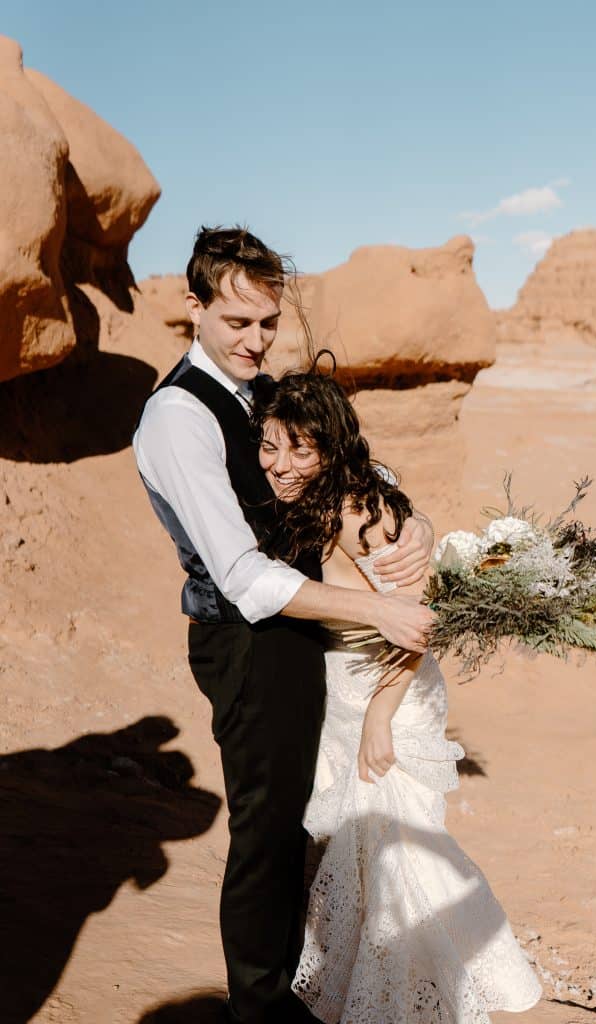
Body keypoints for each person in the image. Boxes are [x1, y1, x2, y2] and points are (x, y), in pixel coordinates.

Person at [133, 226, 435, 1024]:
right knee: (267, 833)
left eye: (267, 323)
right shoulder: (177, 418)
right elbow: (240, 576)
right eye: (237, 323)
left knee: (311, 817)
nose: (256, 341)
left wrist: (416, 525)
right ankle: (260, 1008)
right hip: (247, 642)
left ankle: (304, 990)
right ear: (191, 307)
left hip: (305, 628)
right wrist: (380, 608)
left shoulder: (261, 392)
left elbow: (347, 463)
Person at [254, 368, 544, 1024]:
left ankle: (416, 995)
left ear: (330, 446)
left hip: (387, 689)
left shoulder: (362, 509)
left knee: (393, 848)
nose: (280, 463)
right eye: (270, 445)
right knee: (357, 853)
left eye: (300, 448)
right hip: (343, 690)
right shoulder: (304, 501)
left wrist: (380, 718)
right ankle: (367, 987)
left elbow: (415, 621)